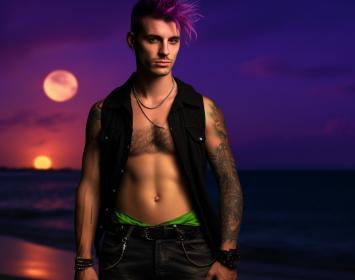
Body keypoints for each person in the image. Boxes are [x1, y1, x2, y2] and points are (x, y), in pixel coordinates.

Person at [73, 0, 243, 279]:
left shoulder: (203, 110)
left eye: (173, 41)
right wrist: (83, 262)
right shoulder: (104, 112)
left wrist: (227, 255)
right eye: (153, 39)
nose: (165, 51)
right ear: (132, 40)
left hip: (189, 247)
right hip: (123, 247)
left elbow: (229, 181)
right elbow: (89, 186)